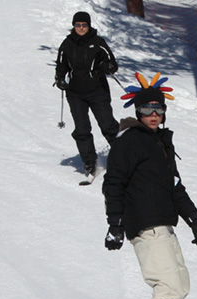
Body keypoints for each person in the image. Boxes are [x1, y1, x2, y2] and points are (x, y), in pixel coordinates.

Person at [102, 74, 197, 299]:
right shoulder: (130, 142)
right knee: (168, 286)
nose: (153, 115)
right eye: (147, 110)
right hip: (144, 225)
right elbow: (114, 182)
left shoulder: (160, 143)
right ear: (137, 112)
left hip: (164, 225)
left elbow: (175, 187)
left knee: (180, 285)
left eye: (158, 110)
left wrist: (194, 220)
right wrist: (115, 223)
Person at [55, 11, 120, 177]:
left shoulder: (97, 43)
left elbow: (112, 63)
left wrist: (107, 67)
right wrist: (60, 79)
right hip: (75, 93)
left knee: (108, 125)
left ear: (89, 26)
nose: (81, 28)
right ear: (73, 26)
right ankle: (89, 161)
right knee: (82, 128)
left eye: (84, 25)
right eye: (78, 25)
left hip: (97, 91)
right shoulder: (67, 44)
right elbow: (61, 65)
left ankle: (124, 154)